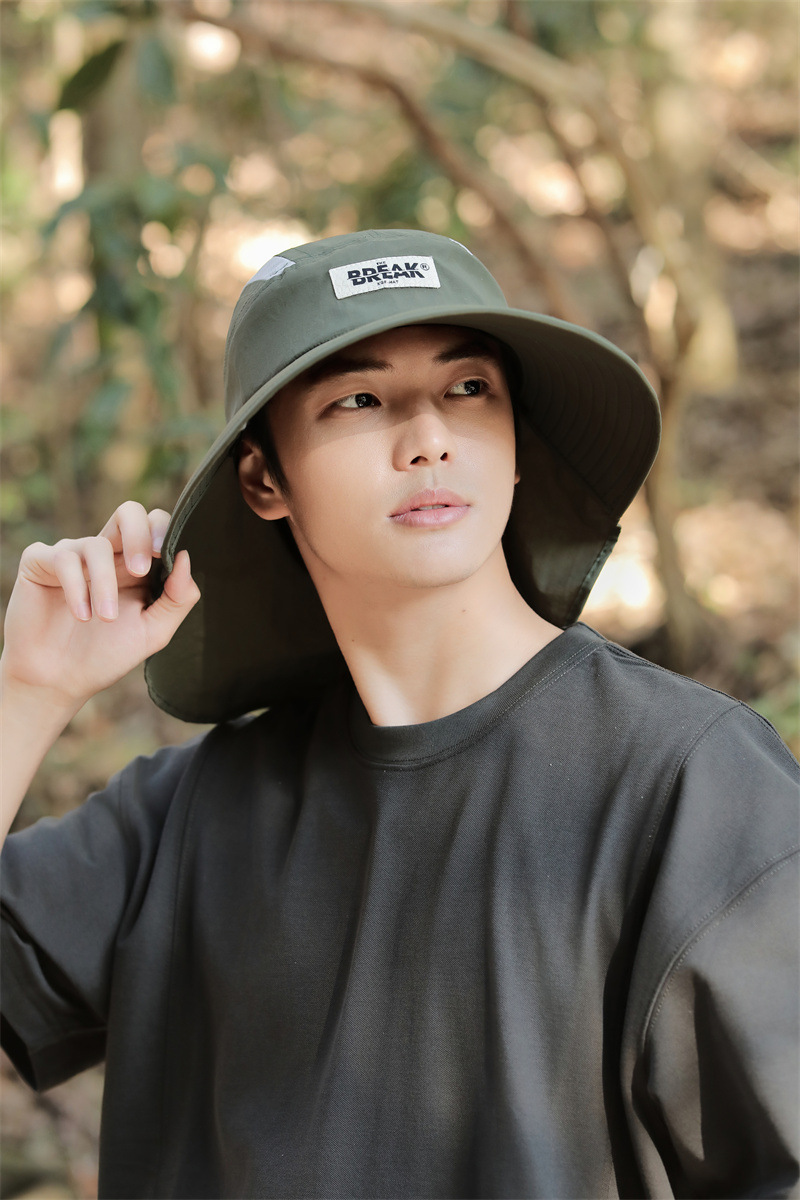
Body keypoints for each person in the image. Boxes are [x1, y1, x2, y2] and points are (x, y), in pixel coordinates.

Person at [1, 229, 797, 1200]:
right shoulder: (184, 818)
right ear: (263, 480)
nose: (428, 438)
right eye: (359, 399)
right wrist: (28, 692)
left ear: (515, 443)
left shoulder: (693, 789)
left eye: (469, 388)